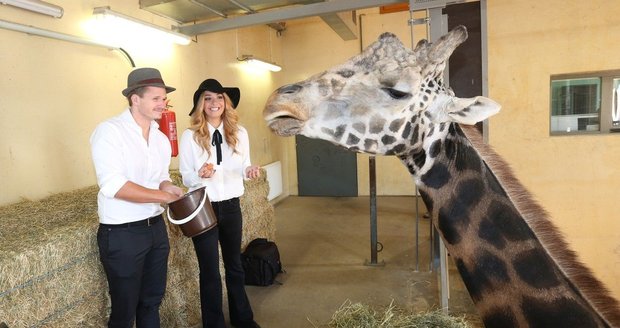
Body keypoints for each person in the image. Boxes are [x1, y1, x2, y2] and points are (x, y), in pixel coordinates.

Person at [90, 67, 184, 328]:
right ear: (135, 99)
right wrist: (163, 196)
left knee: (152, 301)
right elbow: (114, 185)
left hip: (155, 229)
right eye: (156, 98)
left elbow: (160, 177)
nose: (162, 104)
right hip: (122, 234)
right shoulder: (109, 132)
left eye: (164, 99)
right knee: (124, 310)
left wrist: (170, 187)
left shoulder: (161, 138)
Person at [179, 79, 261, 328]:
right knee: (210, 271)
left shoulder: (240, 133)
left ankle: (243, 319)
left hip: (231, 205)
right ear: (200, 104)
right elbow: (186, 176)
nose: (214, 103)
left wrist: (250, 171)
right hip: (203, 207)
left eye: (219, 98)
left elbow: (243, 165)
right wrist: (199, 175)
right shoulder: (190, 137)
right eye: (208, 98)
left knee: (234, 264)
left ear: (226, 103)